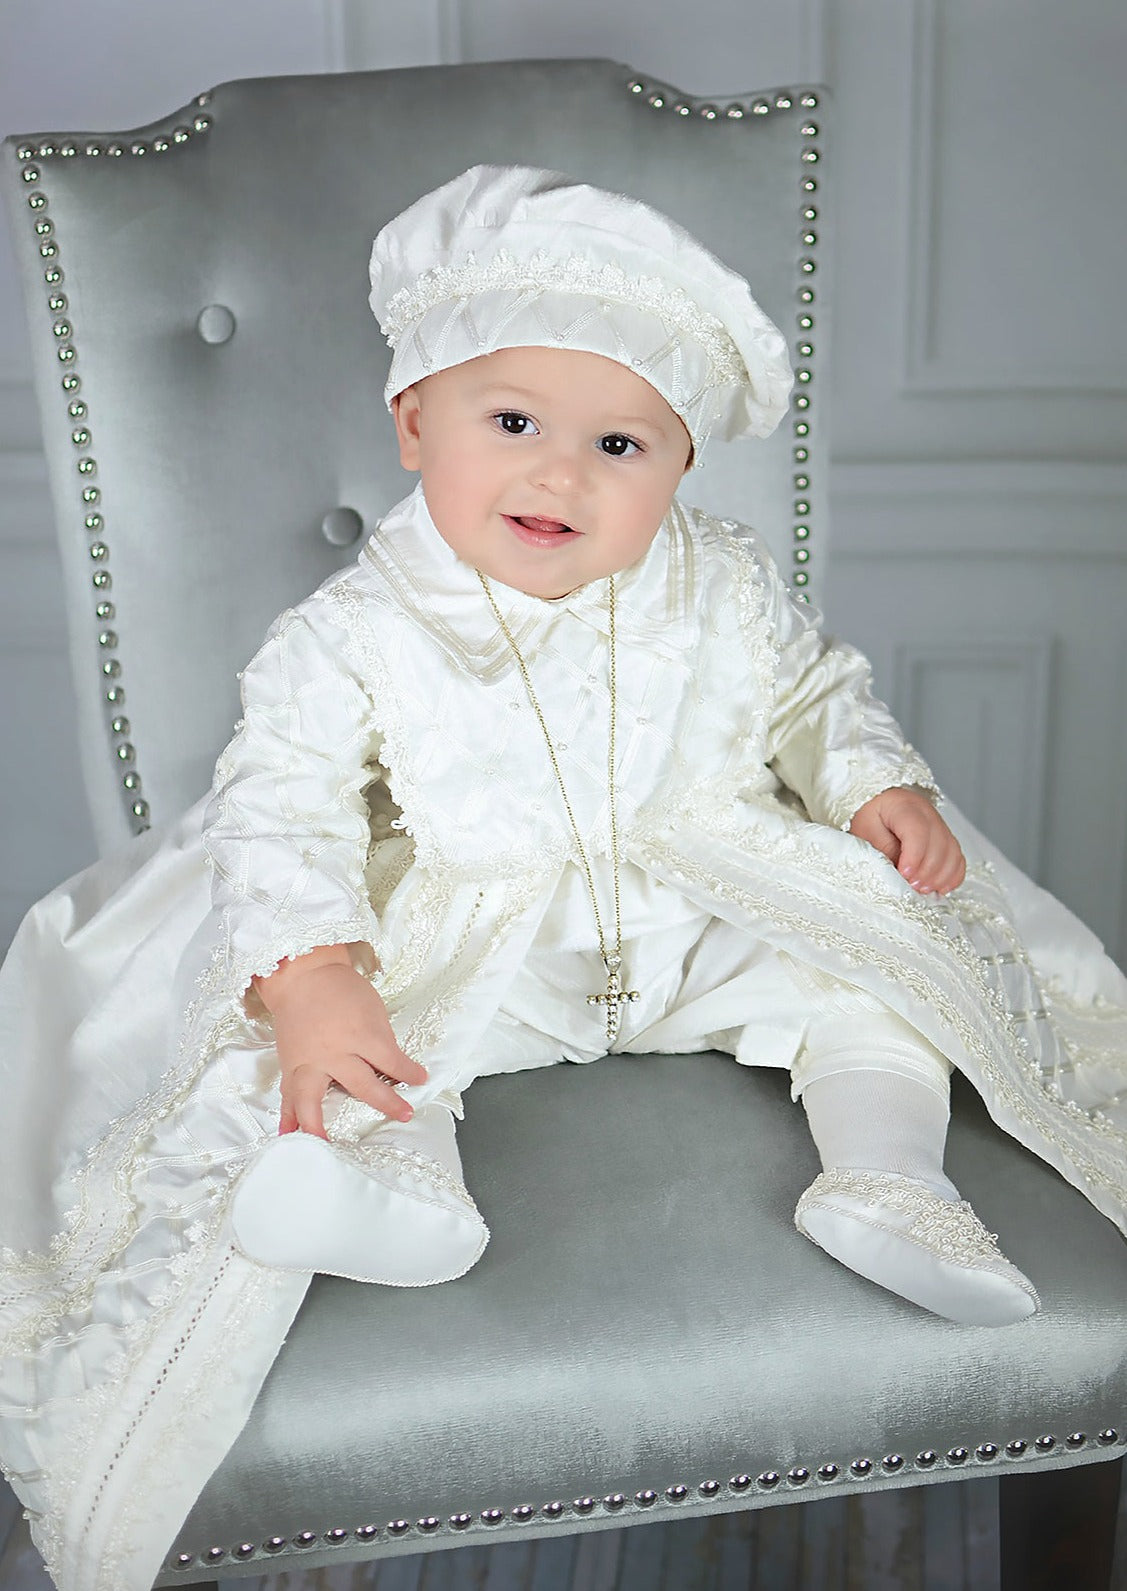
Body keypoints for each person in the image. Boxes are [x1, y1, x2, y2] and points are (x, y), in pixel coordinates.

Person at [1, 163, 1125, 1591]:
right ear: (415, 422)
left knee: (869, 970)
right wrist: (315, 969)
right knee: (387, 1025)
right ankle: (400, 1188)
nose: (561, 473)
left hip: (698, 904)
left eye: (619, 444)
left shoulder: (718, 579)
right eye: (514, 422)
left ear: (680, 470)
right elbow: (280, 806)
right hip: (500, 927)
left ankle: (886, 1180)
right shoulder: (350, 633)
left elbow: (813, 694)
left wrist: (870, 783)